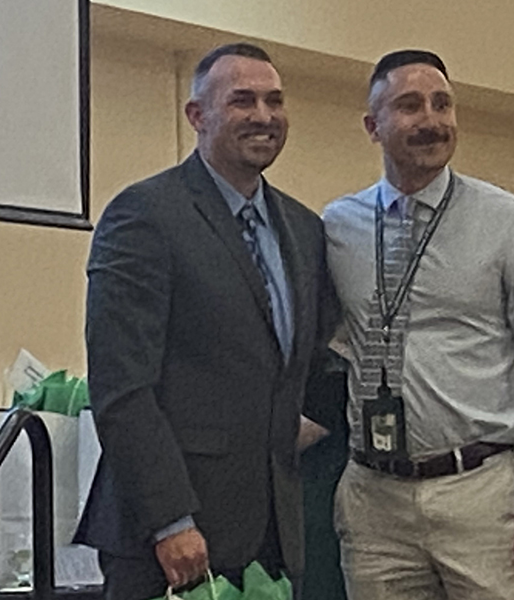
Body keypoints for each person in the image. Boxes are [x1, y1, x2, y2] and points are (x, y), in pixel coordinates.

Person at [75, 42, 339, 600]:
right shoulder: (144, 215)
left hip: (273, 536)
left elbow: (313, 363)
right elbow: (122, 387)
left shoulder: (305, 229)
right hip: (168, 543)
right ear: (197, 115)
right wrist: (170, 520)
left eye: (275, 101)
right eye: (243, 100)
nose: (264, 116)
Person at [321, 49, 514, 600]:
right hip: (375, 504)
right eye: (410, 106)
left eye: (442, 104)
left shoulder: (510, 223)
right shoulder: (337, 227)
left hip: (481, 496)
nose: (432, 120)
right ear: (372, 126)